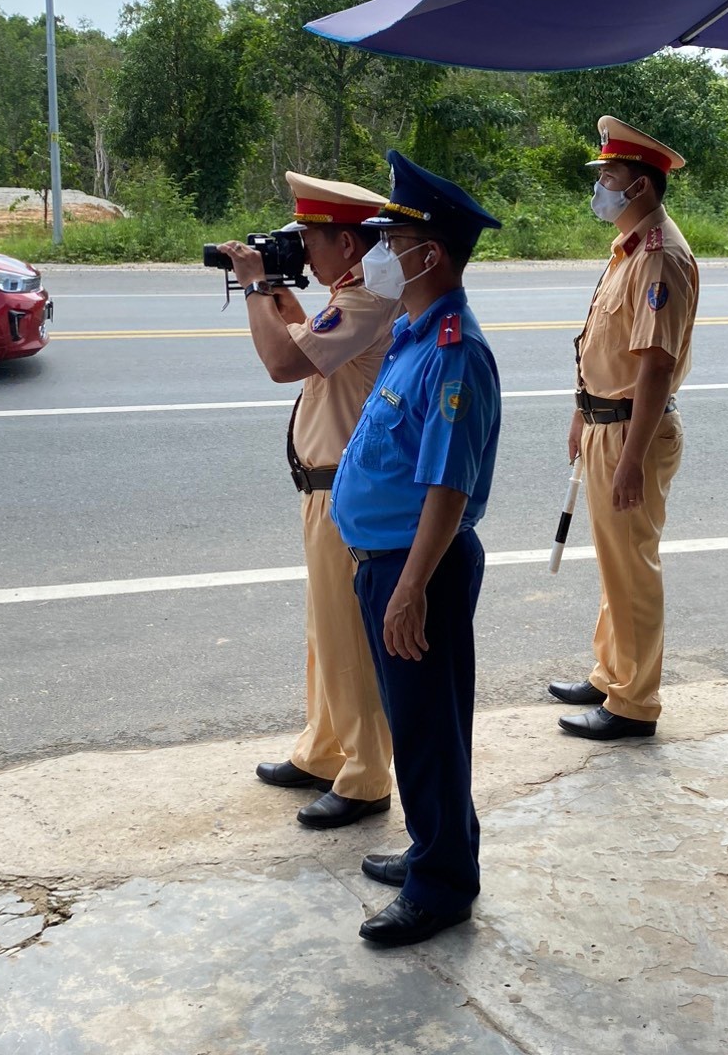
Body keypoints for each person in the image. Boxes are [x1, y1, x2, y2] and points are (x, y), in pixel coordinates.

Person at [331, 150, 502, 947]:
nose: (378, 254)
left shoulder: (454, 353)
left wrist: (408, 591)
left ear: (429, 254)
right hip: (391, 563)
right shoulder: (414, 334)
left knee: (428, 724)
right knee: (419, 720)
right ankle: (439, 843)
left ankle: (442, 887)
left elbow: (448, 489)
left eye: (392, 241)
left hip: (417, 568)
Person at [217, 172, 397, 829]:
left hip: (346, 495)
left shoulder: (369, 300)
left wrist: (258, 286)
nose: (302, 254)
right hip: (325, 492)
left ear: (347, 244)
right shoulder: (352, 293)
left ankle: (366, 774)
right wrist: (282, 297)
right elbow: (310, 345)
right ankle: (325, 749)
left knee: (348, 636)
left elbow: (283, 364)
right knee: (326, 632)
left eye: (309, 241)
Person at [549, 116, 699, 740]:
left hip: (634, 430)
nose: (600, 186)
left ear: (638, 187)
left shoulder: (660, 257)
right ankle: (612, 672)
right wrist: (583, 413)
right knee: (616, 562)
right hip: (608, 423)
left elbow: (655, 367)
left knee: (632, 565)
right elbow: (606, 346)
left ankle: (633, 704)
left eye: (608, 176)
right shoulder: (631, 248)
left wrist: (632, 459)